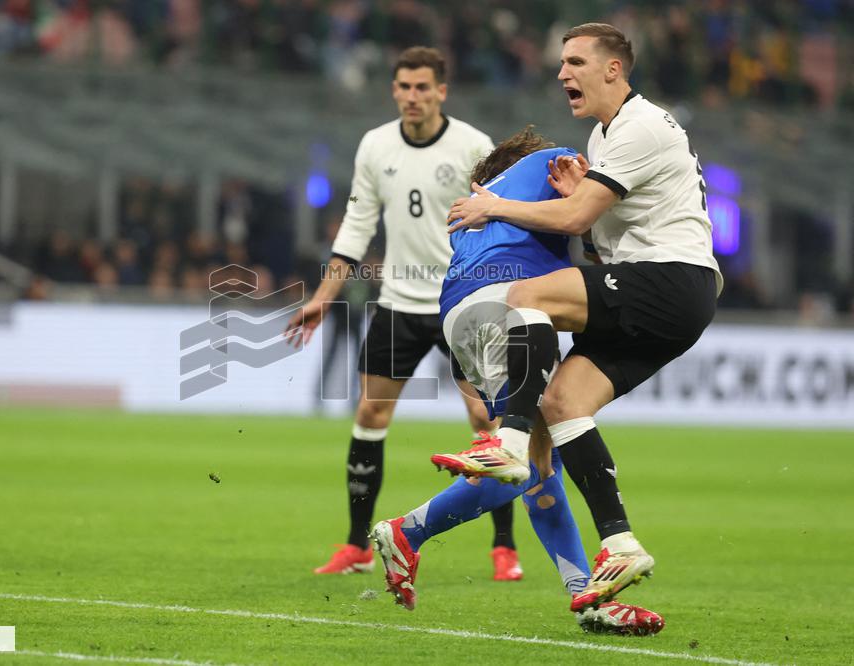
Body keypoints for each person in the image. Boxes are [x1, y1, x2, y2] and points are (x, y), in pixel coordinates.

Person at [433, 23, 722, 612]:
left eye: (575, 62)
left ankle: (510, 442)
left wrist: (495, 206)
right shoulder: (603, 135)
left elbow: (571, 222)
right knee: (563, 403)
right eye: (562, 63)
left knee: (528, 295)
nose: (563, 73)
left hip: (672, 278)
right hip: (666, 296)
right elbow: (594, 245)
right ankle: (620, 543)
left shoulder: (641, 125)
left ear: (614, 69)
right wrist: (579, 206)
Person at [370, 127, 664, 636]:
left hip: (462, 317)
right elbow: (596, 231)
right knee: (526, 456)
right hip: (510, 304)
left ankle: (587, 597)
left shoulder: (479, 207)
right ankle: (409, 530)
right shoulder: (554, 162)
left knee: (539, 465)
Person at [285, 46, 525, 581]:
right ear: (393, 90)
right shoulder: (376, 145)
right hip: (397, 304)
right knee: (369, 416)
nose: (412, 97)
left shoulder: (473, 146)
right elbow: (357, 225)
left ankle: (504, 547)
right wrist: (323, 295)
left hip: (462, 303)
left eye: (422, 87)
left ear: (442, 91)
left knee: (486, 424)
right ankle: (357, 546)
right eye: (404, 87)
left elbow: (500, 223)